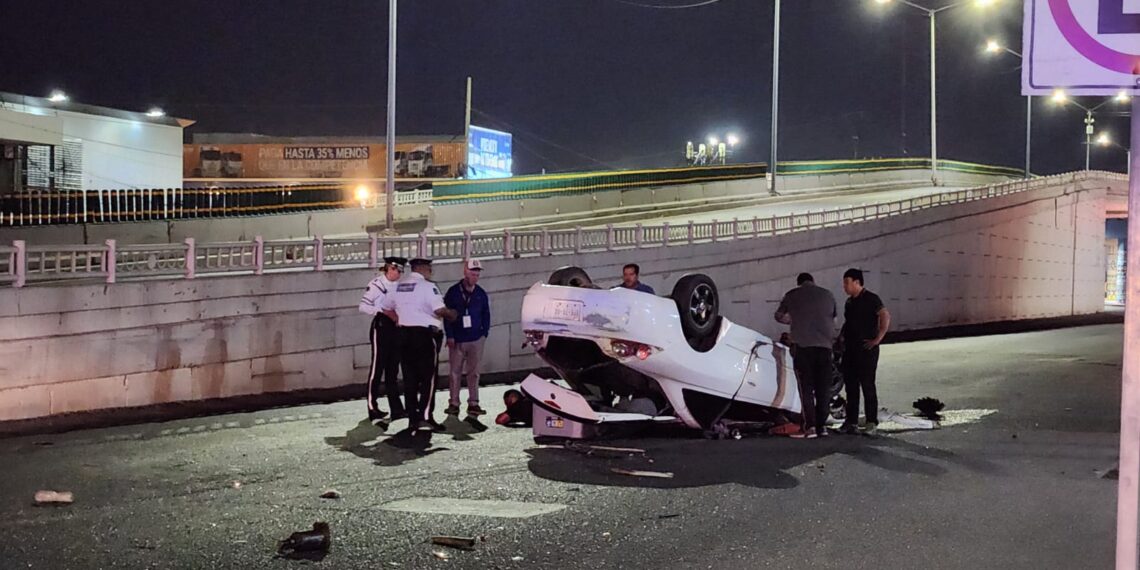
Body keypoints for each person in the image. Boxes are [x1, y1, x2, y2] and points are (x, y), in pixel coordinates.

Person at [380, 258, 458, 431]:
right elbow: (439, 310)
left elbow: (385, 307)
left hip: (403, 335)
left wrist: (398, 319)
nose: (431, 272)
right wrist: (452, 314)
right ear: (424, 269)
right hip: (424, 336)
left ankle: (413, 418)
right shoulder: (428, 286)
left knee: (410, 378)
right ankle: (426, 416)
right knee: (428, 378)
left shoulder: (399, 286)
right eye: (430, 269)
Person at [775, 272, 838, 439]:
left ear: (799, 283)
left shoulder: (791, 295)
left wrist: (794, 320)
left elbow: (779, 316)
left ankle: (810, 426)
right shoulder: (827, 295)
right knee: (823, 389)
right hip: (825, 348)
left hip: (803, 348)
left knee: (806, 389)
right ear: (813, 281)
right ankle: (822, 426)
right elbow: (834, 319)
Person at [838, 268, 891, 435]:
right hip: (850, 350)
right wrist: (840, 338)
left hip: (866, 350)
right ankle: (851, 422)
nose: (844, 286)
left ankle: (871, 422)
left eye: (847, 282)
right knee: (851, 387)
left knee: (867, 386)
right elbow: (848, 323)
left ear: (857, 282)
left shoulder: (871, 299)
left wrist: (877, 339)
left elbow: (885, 315)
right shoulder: (849, 302)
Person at [358, 256, 407, 423]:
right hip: (381, 326)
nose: (399, 274)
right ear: (390, 268)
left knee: (392, 369)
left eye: (401, 271)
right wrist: (384, 311)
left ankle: (396, 408)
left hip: (396, 327)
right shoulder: (376, 285)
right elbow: (363, 306)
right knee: (377, 368)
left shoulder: (401, 286)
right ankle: (372, 406)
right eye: (397, 270)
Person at [443, 259, 492, 417]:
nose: (475, 277)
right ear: (465, 272)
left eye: (477, 274)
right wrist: (449, 335)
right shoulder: (453, 292)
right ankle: (454, 402)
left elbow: (486, 314)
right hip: (457, 338)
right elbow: (446, 315)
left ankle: (473, 402)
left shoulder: (480, 293)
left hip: (476, 338)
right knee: (455, 373)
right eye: (472, 273)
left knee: (474, 372)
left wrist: (484, 333)